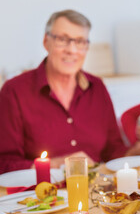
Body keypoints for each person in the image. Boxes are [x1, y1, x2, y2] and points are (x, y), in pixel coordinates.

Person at [0, 10, 127, 174]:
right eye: (62, 39)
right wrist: (57, 164)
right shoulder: (14, 91)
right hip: (39, 195)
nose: (72, 50)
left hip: (97, 193)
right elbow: (4, 163)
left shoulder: (98, 87)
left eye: (80, 42)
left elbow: (113, 151)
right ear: (46, 42)